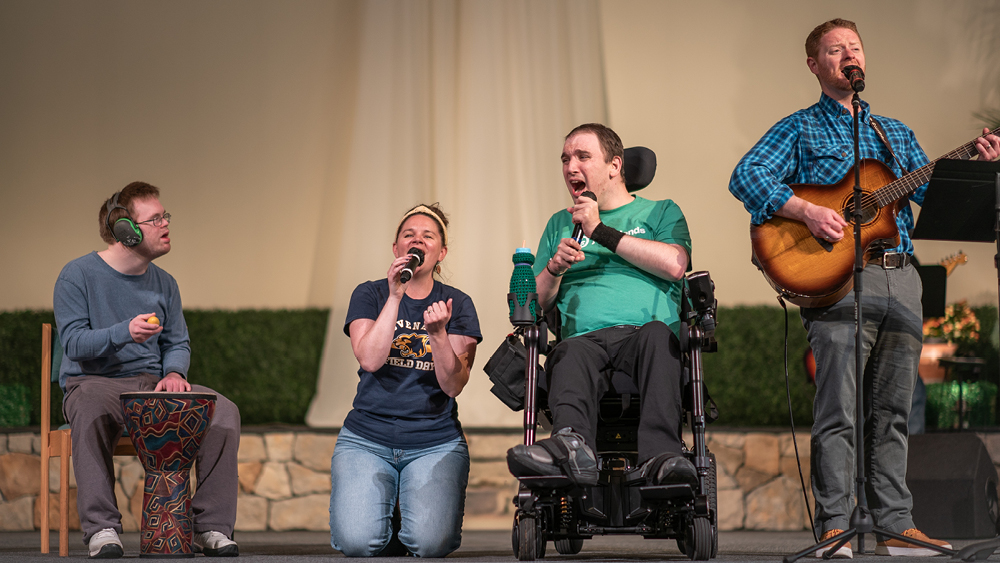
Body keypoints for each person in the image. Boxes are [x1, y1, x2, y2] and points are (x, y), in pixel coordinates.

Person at [728, 19, 1000, 558]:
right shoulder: (800, 128)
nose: (849, 55)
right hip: (838, 278)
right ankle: (835, 525)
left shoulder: (892, 132)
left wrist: (978, 170)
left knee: (894, 412)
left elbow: (929, 196)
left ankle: (897, 523)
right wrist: (807, 211)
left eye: (854, 47)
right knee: (840, 412)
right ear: (815, 65)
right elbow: (747, 174)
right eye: (835, 49)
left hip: (903, 279)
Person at [53, 181, 241, 558]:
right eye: (154, 219)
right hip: (96, 383)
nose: (165, 224)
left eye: (164, 216)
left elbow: (177, 343)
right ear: (126, 231)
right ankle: (102, 528)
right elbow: (73, 344)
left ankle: (211, 527)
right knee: (87, 407)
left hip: (152, 387)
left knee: (223, 411)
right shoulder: (78, 275)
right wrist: (125, 332)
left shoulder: (165, 283)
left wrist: (174, 374)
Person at [506, 123, 698, 489]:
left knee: (659, 337)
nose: (570, 167)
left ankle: (661, 456)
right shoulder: (560, 223)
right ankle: (571, 449)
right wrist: (553, 268)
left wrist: (600, 232)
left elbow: (675, 264)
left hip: (645, 336)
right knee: (569, 351)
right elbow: (535, 303)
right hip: (584, 340)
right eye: (565, 159)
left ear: (614, 165)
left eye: (582, 156)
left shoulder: (660, 212)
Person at [329, 203, 481, 558]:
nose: (417, 241)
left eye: (428, 236)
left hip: (434, 441)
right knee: (357, 543)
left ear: (441, 252)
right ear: (396, 249)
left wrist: (439, 335)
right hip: (367, 438)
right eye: (408, 235)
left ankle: (404, 514)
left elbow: (453, 385)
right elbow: (370, 358)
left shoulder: (457, 303)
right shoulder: (370, 294)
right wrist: (395, 295)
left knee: (430, 545)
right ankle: (387, 516)